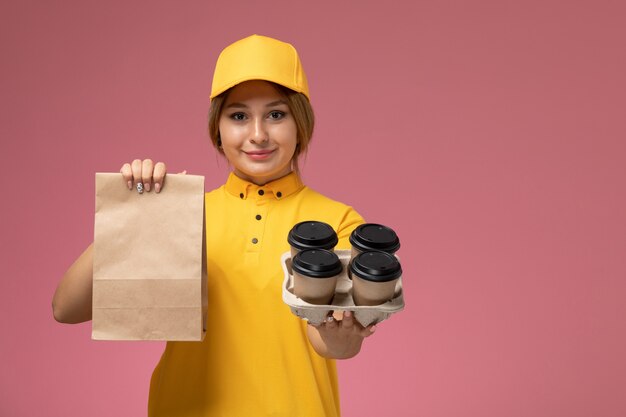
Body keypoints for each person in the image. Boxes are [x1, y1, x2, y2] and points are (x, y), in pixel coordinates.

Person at [53, 34, 376, 416]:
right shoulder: (182, 214)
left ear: (300, 124)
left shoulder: (337, 223)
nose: (257, 133)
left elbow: (335, 346)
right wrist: (133, 214)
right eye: (238, 116)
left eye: (276, 114)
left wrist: (342, 332)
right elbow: (66, 307)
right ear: (218, 130)